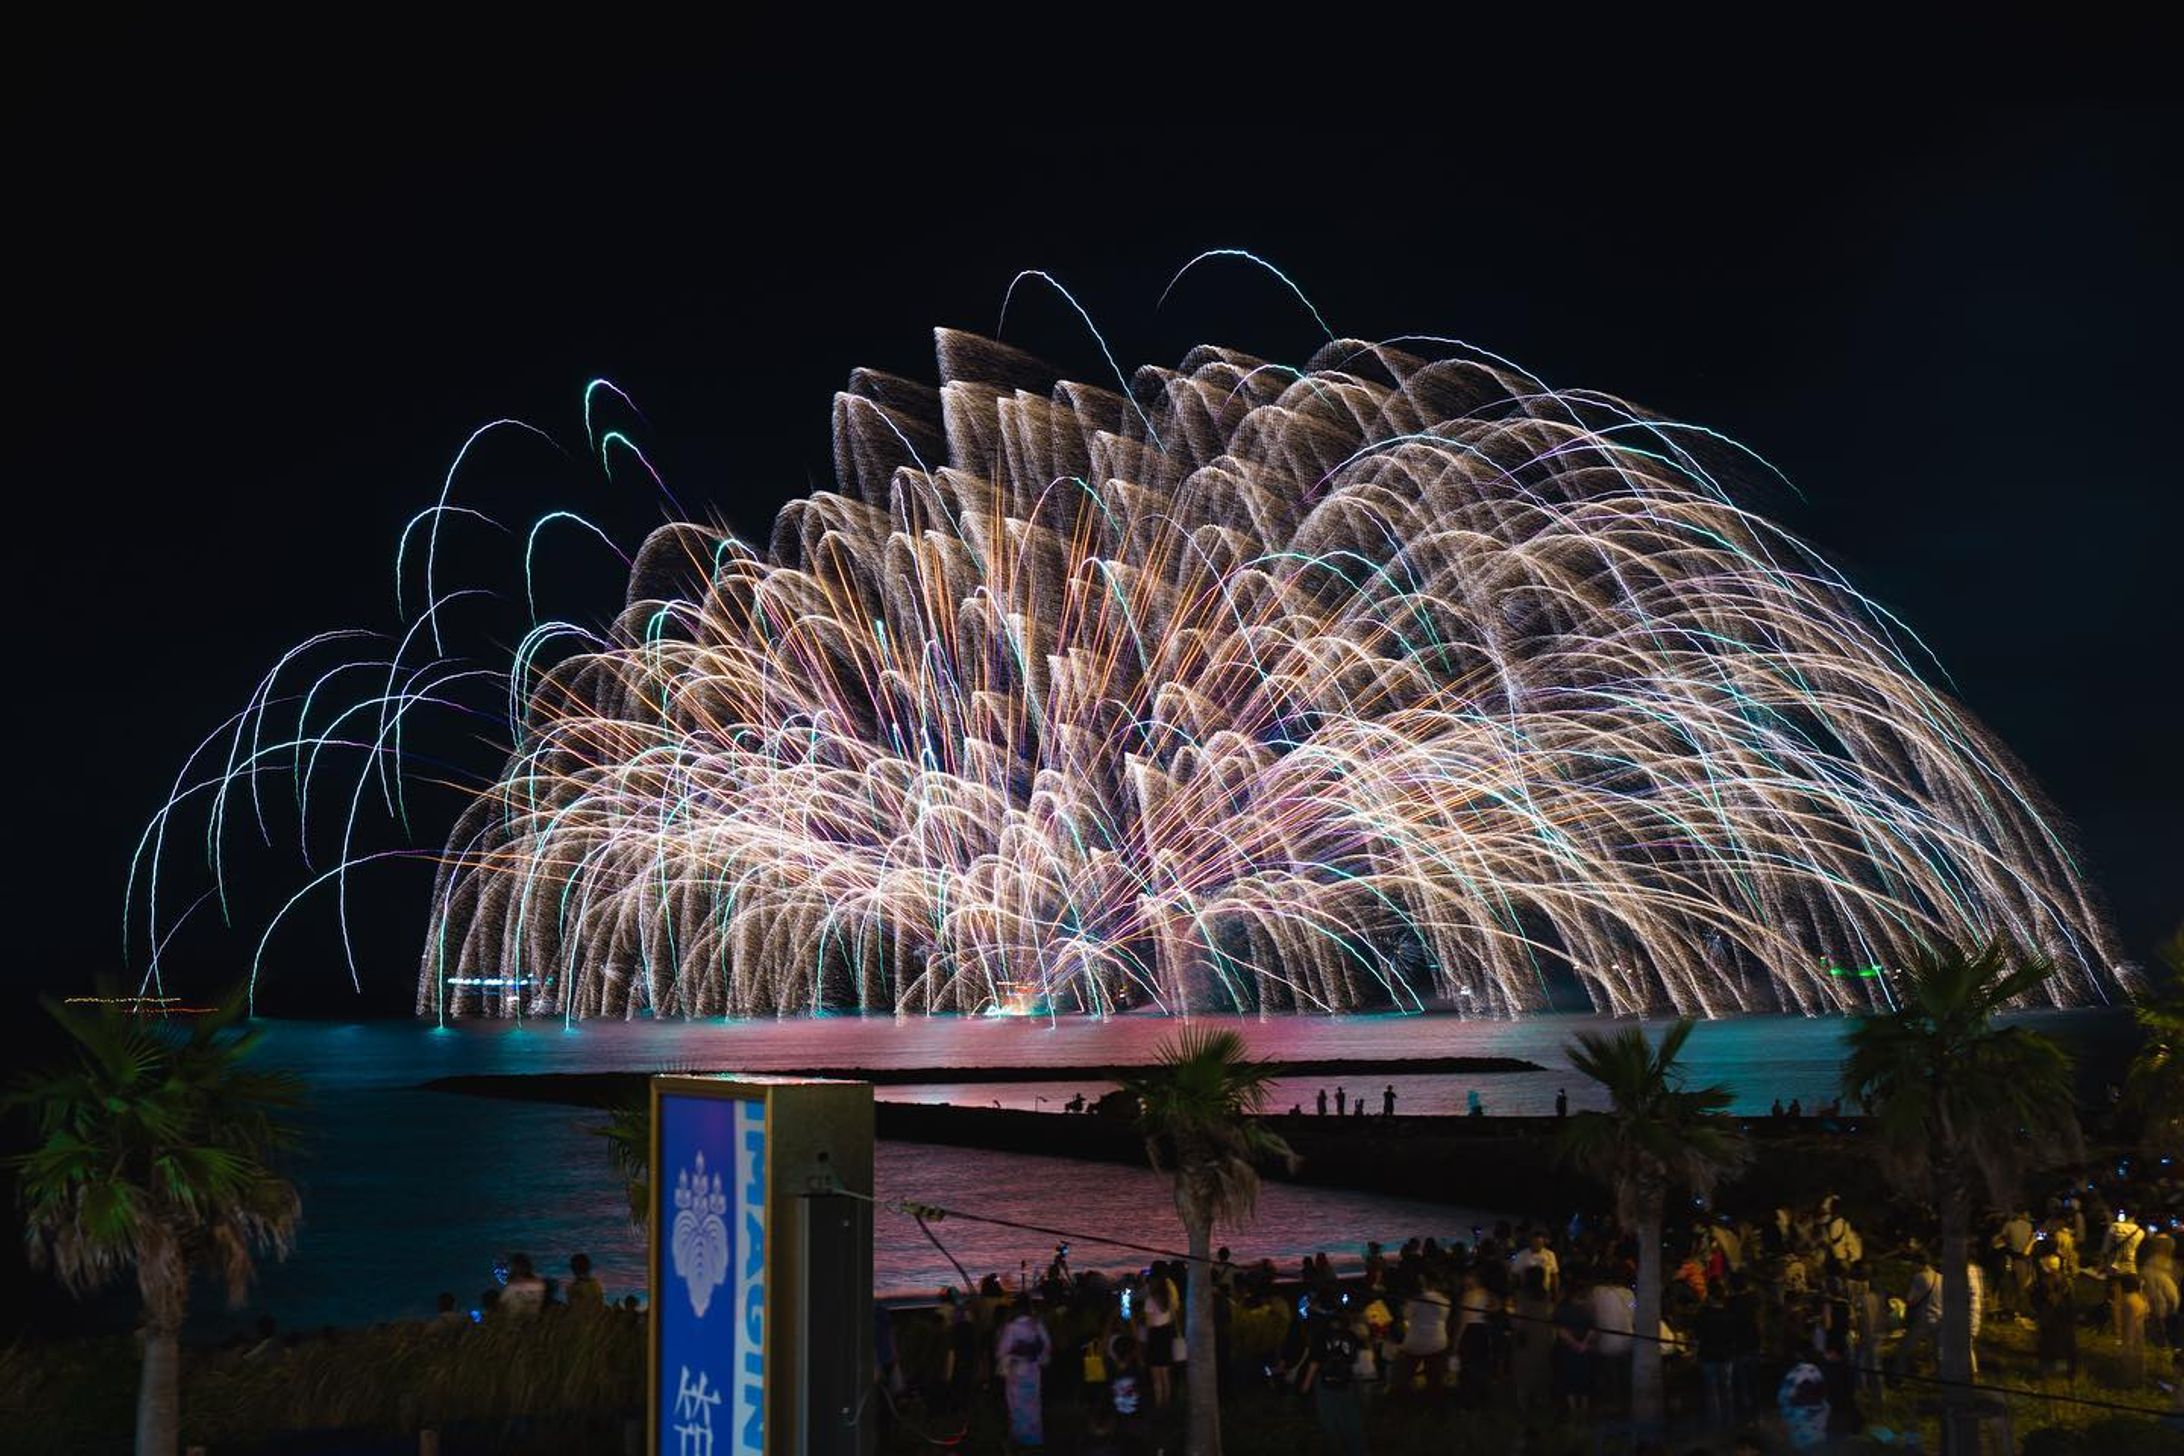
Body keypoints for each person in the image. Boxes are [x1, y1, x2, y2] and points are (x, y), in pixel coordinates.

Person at [1298, 1298, 1367, 1456]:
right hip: (1346, 1381)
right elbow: (1355, 1358)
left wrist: (1306, 1384)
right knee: (1350, 1418)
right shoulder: (1350, 1335)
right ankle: (1357, 1450)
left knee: (1328, 1420)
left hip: (1325, 1382)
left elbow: (1314, 1361)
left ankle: (1334, 1449)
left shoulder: (1321, 1335)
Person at [996, 1296, 1051, 1447]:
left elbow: (1002, 1351)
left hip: (1017, 1371)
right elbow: (1046, 1347)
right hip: (1033, 1370)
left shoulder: (1011, 1327)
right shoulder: (1037, 1325)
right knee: (1033, 1405)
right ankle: (1034, 1438)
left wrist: (1011, 1358)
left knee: (1017, 1407)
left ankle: (1020, 1438)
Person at [1394, 1269, 1451, 1394]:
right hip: (1437, 1342)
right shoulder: (1445, 1300)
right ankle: (1433, 1398)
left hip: (1416, 1342)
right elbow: (1444, 1318)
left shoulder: (1416, 1300)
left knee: (1403, 1375)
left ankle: (1402, 1397)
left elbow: (1406, 1315)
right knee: (1435, 1379)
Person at [1776, 1342, 1830, 1451]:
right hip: (1817, 1421)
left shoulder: (1794, 1373)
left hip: (1800, 1422)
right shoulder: (1817, 1372)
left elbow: (1783, 1397)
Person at [1142, 1262, 1180, 1409]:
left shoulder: (1151, 1299)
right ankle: (1168, 1403)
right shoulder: (1170, 1296)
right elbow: (1173, 1315)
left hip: (1155, 1335)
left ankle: (1159, 1404)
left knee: (1156, 1375)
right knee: (1165, 1373)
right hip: (1166, 1333)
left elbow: (1149, 1323)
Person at [1512, 1229, 1561, 1298]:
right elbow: (1515, 1274)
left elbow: (1554, 1274)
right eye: (1535, 1242)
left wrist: (1555, 1292)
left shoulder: (1550, 1255)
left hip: (1544, 1292)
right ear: (1530, 1242)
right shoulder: (1521, 1255)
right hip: (1526, 1292)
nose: (1537, 1245)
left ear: (1543, 1243)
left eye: (1539, 1243)